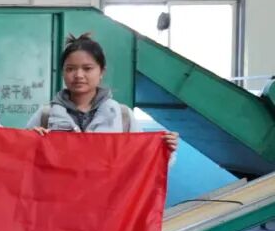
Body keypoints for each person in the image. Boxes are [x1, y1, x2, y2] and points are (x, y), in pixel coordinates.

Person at [27, 32, 179, 151]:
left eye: (87, 68)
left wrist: (164, 149)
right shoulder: (46, 116)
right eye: (70, 69)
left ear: (101, 72)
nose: (78, 75)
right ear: (63, 72)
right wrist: (31, 141)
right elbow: (23, 161)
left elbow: (141, 159)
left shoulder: (122, 116)